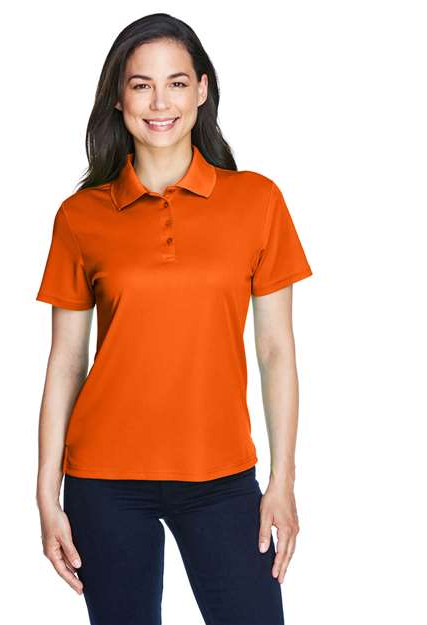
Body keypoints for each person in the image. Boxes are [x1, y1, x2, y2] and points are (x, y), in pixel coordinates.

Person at [35, 12, 312, 625]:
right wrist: (46, 492)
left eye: (177, 83)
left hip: (222, 475)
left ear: (203, 90)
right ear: (118, 97)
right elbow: (65, 361)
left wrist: (283, 481)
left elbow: (276, 351)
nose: (160, 103)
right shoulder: (80, 216)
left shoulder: (257, 201)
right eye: (142, 85)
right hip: (103, 480)